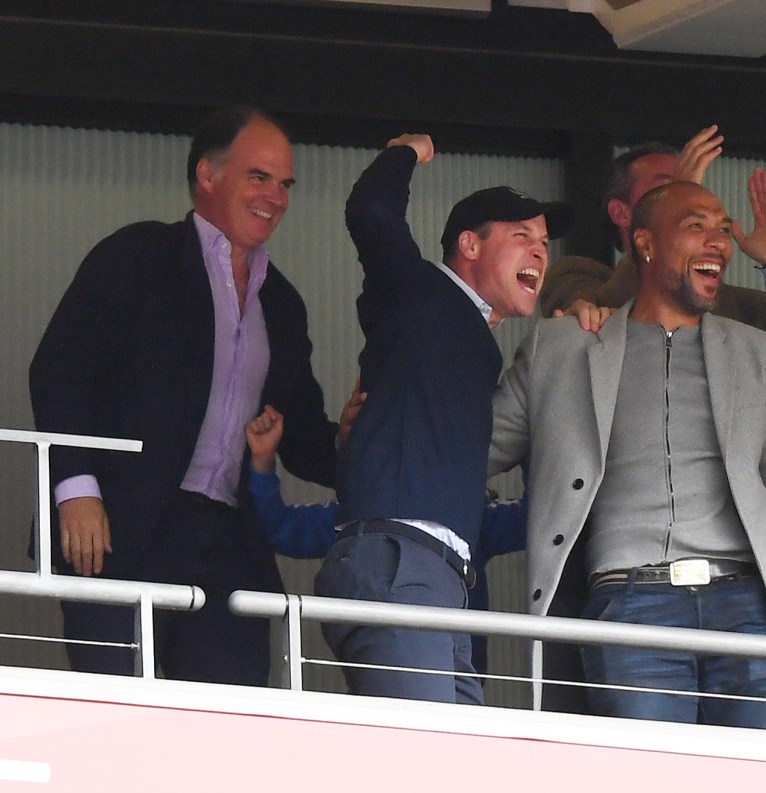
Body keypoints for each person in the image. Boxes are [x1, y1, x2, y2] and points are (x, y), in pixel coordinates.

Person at [489, 180, 766, 733]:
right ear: (645, 244)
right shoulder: (563, 347)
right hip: (630, 605)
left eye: (725, 230)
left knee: (765, 779)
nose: (720, 243)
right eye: (696, 227)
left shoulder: (759, 354)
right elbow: (471, 448)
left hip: (749, 610)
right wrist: (379, 421)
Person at [29, 105, 341, 685]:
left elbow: (299, 434)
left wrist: (372, 441)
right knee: (115, 731)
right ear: (207, 174)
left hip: (229, 546)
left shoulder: (283, 303)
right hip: (119, 529)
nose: (276, 197)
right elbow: (60, 370)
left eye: (285, 184)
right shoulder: (139, 256)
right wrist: (74, 488)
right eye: (259, 177)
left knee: (224, 739)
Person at [314, 133, 572, 704]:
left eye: (545, 243)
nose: (539, 252)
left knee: (458, 766)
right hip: (398, 561)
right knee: (424, 766)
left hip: (439, 577)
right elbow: (370, 210)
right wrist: (408, 151)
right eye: (521, 237)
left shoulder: (472, 340)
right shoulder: (423, 291)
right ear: (469, 246)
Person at [539, 126, 766, 403]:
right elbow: (606, 324)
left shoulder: (744, 311)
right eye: (667, 191)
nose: (688, 199)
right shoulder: (575, 276)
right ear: (621, 213)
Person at [244, 405, 526, 677]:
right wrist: (262, 462)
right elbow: (281, 528)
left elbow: (535, 521)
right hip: (384, 680)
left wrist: (532, 434)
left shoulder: (472, 512)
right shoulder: (358, 516)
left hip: (461, 678)